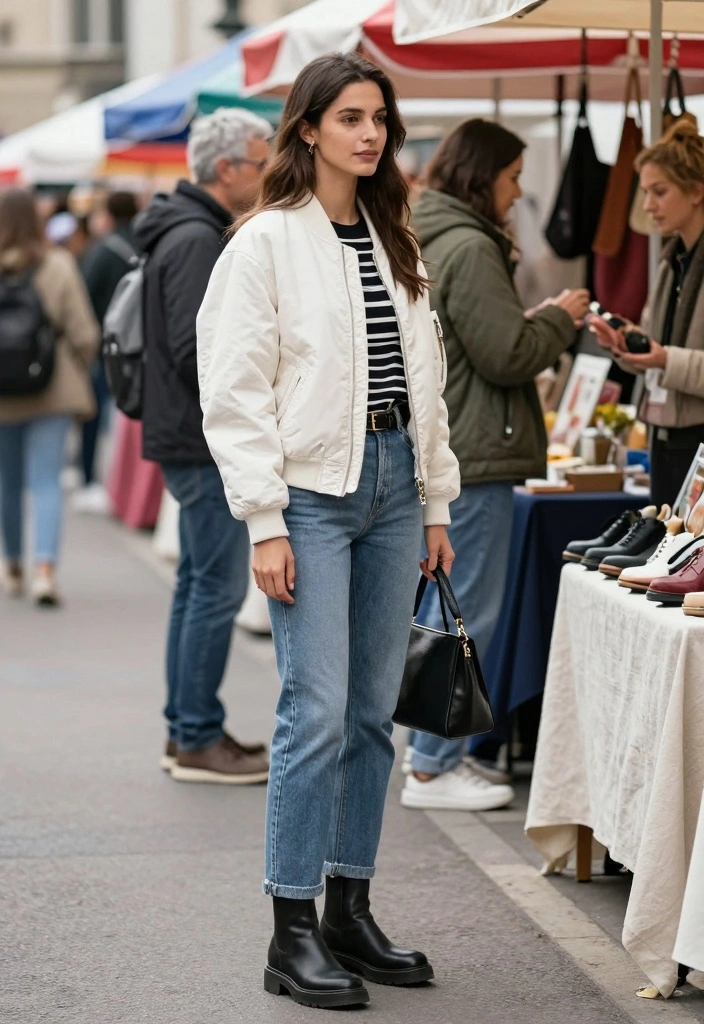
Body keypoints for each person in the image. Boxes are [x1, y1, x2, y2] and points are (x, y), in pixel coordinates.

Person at [197, 53, 460, 1009]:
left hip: (395, 489)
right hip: (310, 495)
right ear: (307, 127)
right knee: (314, 711)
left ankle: (350, 908)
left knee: (369, 716)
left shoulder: (400, 239)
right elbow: (233, 394)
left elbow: (424, 386)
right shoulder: (264, 244)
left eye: (379, 118)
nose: (370, 133)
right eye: (350, 116)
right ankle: (292, 927)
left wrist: (435, 502)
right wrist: (265, 520)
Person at [401, 119, 590, 812]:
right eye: (512, 178)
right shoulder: (471, 245)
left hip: (459, 441)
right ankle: (431, 763)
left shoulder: (432, 229)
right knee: (466, 605)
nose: (516, 193)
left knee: (448, 602)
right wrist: (561, 320)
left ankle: (431, 755)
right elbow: (506, 354)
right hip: (476, 447)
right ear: (485, 177)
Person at [134, 109, 273, 785]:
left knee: (198, 587)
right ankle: (195, 736)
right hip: (199, 438)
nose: (269, 171)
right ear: (227, 170)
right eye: (260, 161)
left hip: (184, 435)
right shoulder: (196, 239)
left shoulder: (184, 229)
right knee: (212, 590)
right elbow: (201, 350)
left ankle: (191, 727)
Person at [590, 120, 704, 509]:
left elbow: (667, 355)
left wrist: (663, 358)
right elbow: (660, 347)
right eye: (645, 192)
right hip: (665, 436)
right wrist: (625, 344)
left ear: (696, 192)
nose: (647, 206)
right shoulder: (670, 262)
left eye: (659, 192)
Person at [0, 188, 99, 606]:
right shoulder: (57, 264)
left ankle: (14, 566)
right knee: (46, 482)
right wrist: (74, 362)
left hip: (2, 395)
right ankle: (45, 570)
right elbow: (85, 332)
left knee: (7, 484)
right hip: (53, 387)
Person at [75, 191, 141, 514]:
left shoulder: (100, 251)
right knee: (128, 420)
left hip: (105, 348)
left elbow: (83, 298)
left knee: (94, 416)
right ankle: (126, 489)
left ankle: (90, 480)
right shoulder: (143, 245)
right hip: (139, 347)